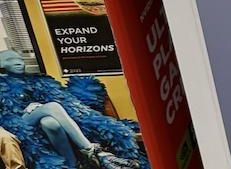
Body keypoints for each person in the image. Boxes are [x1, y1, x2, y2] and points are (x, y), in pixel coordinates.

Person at [0, 51, 143, 169]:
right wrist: (26, 110)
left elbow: (66, 102)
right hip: (19, 124)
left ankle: (73, 165)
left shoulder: (39, 80)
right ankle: (95, 152)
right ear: (1, 64)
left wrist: (39, 106)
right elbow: (6, 114)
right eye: (10, 59)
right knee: (53, 106)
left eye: (20, 58)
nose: (18, 62)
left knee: (50, 123)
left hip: (45, 120)